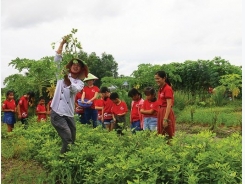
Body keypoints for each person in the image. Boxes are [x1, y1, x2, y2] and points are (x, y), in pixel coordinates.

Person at [50, 37, 88, 154]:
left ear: (81, 69)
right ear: (70, 66)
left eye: (78, 65)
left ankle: (69, 159)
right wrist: (62, 43)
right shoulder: (60, 75)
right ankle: (63, 160)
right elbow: (57, 59)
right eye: (74, 64)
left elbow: (73, 89)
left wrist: (67, 78)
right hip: (57, 111)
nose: (75, 66)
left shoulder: (80, 83)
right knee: (67, 138)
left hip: (69, 113)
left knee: (73, 139)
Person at [154, 71, 175, 139]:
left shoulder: (167, 89)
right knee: (161, 133)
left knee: (168, 133)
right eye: (155, 79)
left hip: (166, 112)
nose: (156, 80)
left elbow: (169, 104)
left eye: (158, 78)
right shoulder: (160, 89)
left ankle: (171, 148)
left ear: (164, 78)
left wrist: (165, 119)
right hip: (160, 111)